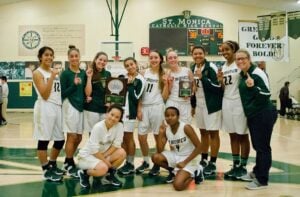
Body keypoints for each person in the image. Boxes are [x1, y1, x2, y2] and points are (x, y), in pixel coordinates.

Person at [235, 49, 277, 190]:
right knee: (258, 146)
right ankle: (257, 172)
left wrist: (253, 87)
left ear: (249, 58)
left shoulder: (258, 73)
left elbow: (266, 94)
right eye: (238, 59)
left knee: (263, 147)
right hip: (253, 114)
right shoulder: (242, 74)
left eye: (243, 58)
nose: (240, 61)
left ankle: (262, 180)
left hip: (263, 113)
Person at [217, 41, 250, 179]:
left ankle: (243, 166)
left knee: (242, 134)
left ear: (234, 50)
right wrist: (220, 81)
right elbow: (225, 88)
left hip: (239, 103)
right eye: (222, 50)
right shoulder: (224, 66)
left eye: (227, 50)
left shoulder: (239, 64)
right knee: (232, 134)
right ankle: (235, 164)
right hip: (226, 102)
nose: (224, 52)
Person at [32, 46, 65, 182]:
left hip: (57, 107)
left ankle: (52, 164)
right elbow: (45, 94)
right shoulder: (37, 73)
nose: (49, 57)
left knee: (60, 139)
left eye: (51, 55)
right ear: (40, 57)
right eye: (46, 55)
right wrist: (52, 76)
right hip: (44, 107)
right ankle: (45, 170)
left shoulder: (54, 71)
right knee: (44, 140)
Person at [152, 107, 204, 190]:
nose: (170, 117)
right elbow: (160, 151)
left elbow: (200, 147)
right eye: (167, 115)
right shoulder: (166, 130)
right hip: (177, 156)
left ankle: (196, 173)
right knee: (155, 157)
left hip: (190, 158)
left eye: (173, 115)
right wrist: (160, 134)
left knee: (178, 185)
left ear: (178, 116)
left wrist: (184, 162)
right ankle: (174, 172)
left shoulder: (186, 128)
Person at [190, 46, 222, 176]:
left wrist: (203, 77)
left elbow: (218, 87)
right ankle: (204, 158)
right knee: (203, 132)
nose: (197, 56)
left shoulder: (211, 67)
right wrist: (193, 105)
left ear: (205, 54)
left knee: (213, 133)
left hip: (211, 104)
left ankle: (213, 162)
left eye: (200, 53)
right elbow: (194, 88)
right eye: (195, 54)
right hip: (199, 104)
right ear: (192, 55)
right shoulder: (193, 68)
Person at [77, 104, 126, 188]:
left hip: (101, 154)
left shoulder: (120, 126)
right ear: (107, 113)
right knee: (103, 168)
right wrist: (106, 162)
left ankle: (109, 176)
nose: (113, 118)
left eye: (117, 117)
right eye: (112, 114)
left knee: (122, 153)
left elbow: (116, 145)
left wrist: (105, 155)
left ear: (119, 119)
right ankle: (84, 173)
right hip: (88, 156)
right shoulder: (98, 127)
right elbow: (94, 151)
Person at [136, 50, 168, 175]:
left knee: (158, 136)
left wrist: (166, 84)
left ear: (160, 59)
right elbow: (139, 93)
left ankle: (157, 163)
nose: (153, 60)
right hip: (144, 107)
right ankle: (145, 161)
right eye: (151, 58)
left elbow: (165, 97)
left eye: (156, 57)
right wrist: (139, 108)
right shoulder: (143, 73)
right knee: (141, 136)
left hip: (157, 107)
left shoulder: (164, 74)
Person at [60, 45, 87, 178]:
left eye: (76, 56)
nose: (74, 58)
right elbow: (62, 93)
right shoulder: (65, 74)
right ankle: (70, 164)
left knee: (79, 137)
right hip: (69, 106)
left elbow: (85, 90)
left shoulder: (83, 73)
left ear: (80, 57)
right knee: (72, 136)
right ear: (68, 58)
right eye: (72, 56)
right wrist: (73, 85)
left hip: (81, 107)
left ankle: (67, 160)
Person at [118, 57, 145, 175]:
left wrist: (130, 85)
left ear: (136, 64)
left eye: (131, 64)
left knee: (129, 137)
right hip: (121, 112)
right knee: (123, 137)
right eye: (127, 65)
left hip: (130, 112)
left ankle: (131, 163)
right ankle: (126, 163)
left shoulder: (140, 80)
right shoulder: (123, 77)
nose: (130, 67)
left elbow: (136, 97)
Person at [84, 52, 111, 133]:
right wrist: (89, 77)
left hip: (104, 109)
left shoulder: (108, 74)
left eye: (104, 61)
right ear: (96, 59)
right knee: (93, 134)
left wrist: (109, 102)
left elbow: (109, 91)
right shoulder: (88, 72)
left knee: (103, 133)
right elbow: (88, 94)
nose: (102, 62)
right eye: (100, 59)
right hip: (92, 108)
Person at [165, 49, 194, 124]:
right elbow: (166, 93)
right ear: (167, 61)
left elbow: (194, 86)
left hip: (185, 103)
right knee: (171, 127)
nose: (173, 60)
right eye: (170, 58)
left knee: (186, 127)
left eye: (175, 57)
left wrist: (190, 94)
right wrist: (169, 83)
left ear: (178, 59)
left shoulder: (187, 71)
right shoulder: (167, 73)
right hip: (172, 102)